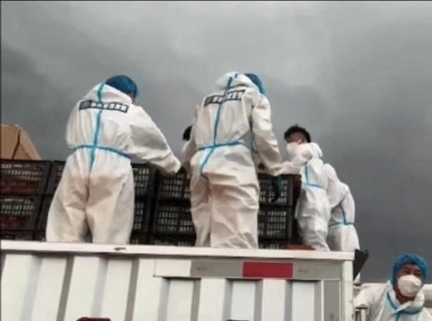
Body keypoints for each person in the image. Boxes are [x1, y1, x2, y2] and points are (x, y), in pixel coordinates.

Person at [46, 75, 181, 244]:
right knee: (109, 227)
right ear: (129, 94)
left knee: (66, 223)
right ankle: (105, 259)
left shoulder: (80, 107)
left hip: (78, 163)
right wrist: (172, 166)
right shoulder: (132, 112)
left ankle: (59, 257)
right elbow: (153, 143)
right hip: (112, 167)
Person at [183, 72, 285, 248]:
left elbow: (192, 142)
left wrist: (187, 166)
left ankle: (206, 265)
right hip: (233, 165)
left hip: (201, 165)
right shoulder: (253, 96)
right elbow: (263, 134)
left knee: (205, 234)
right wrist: (275, 169)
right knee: (238, 236)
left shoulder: (206, 100)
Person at [278, 124, 331, 250]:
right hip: (314, 200)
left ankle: (324, 262)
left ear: (301, 140)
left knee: (314, 238)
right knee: (311, 238)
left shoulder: (304, 149)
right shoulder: (314, 159)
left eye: (290, 141)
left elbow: (294, 167)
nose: (288, 146)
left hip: (313, 201)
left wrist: (274, 168)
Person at [323, 163, 360, 254]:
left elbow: (327, 207)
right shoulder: (332, 189)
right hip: (335, 232)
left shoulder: (339, 187)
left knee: (344, 260)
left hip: (343, 234)